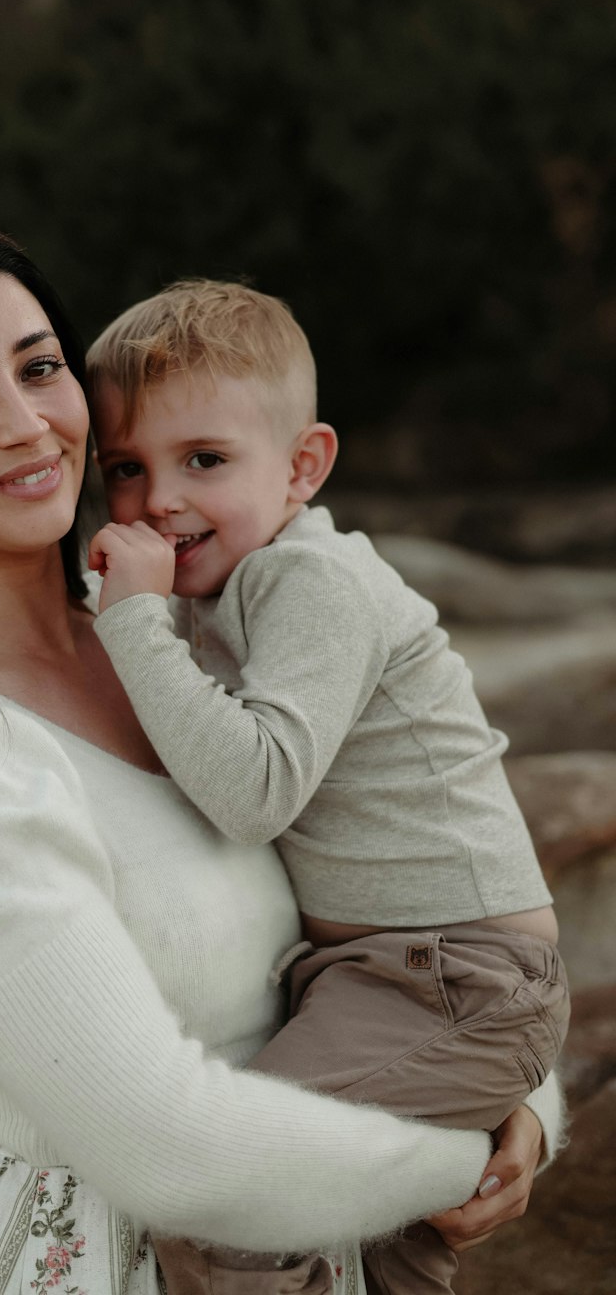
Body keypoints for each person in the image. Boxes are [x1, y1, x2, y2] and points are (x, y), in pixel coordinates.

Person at [0, 211, 562, 1295]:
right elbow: (160, 1141)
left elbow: (423, 920)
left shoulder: (181, 637)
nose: (25, 425)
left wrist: (521, 1105)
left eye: (39, 368)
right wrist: (451, 1154)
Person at [84, 279, 569, 1295]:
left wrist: (131, 620)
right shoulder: (223, 588)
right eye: (126, 469)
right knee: (386, 1250)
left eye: (203, 459)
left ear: (302, 466)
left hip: (454, 980)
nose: (159, 498)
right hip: (387, 982)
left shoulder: (312, 583)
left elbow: (257, 789)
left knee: (223, 1192)